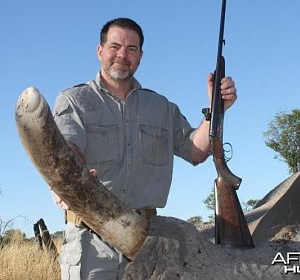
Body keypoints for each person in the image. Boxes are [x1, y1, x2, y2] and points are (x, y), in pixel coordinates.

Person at [52, 17, 237, 279]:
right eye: (115, 46)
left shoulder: (161, 106)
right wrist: (64, 178)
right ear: (100, 51)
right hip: (91, 238)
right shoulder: (74, 99)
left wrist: (216, 109)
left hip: (147, 243)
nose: (122, 55)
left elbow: (196, 151)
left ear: (140, 55)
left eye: (131, 49)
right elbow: (67, 148)